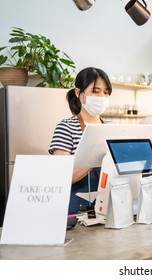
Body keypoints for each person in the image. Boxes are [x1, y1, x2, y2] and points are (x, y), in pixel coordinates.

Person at [49, 67, 112, 215]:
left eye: (106, 92)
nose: (102, 97)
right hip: (77, 210)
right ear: (79, 93)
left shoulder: (110, 128)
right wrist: (96, 156)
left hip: (108, 208)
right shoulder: (66, 127)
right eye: (95, 91)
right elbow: (62, 176)